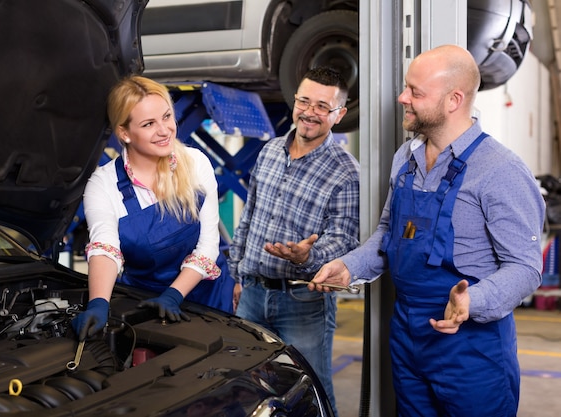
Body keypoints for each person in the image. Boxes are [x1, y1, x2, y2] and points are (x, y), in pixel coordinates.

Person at [311, 44, 546, 416]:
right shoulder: (405, 159)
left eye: (415, 92)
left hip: (471, 348)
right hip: (407, 337)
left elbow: (525, 267)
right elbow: (389, 234)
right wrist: (350, 266)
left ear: (454, 100)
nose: (403, 97)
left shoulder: (501, 170)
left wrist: (474, 301)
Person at [228, 66, 361, 417]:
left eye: (322, 106)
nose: (310, 112)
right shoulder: (270, 151)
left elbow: (345, 238)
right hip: (253, 295)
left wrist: (308, 255)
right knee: (248, 385)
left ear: (339, 114)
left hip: (301, 301)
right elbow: (249, 215)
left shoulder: (346, 171)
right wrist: (237, 274)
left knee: (313, 390)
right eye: (304, 101)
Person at [72, 75, 235, 341]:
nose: (164, 130)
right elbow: (105, 248)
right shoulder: (104, 185)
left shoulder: (195, 163)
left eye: (167, 116)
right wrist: (99, 302)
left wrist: (173, 294)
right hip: (145, 302)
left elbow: (207, 246)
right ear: (124, 133)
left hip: (208, 296)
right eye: (149, 124)